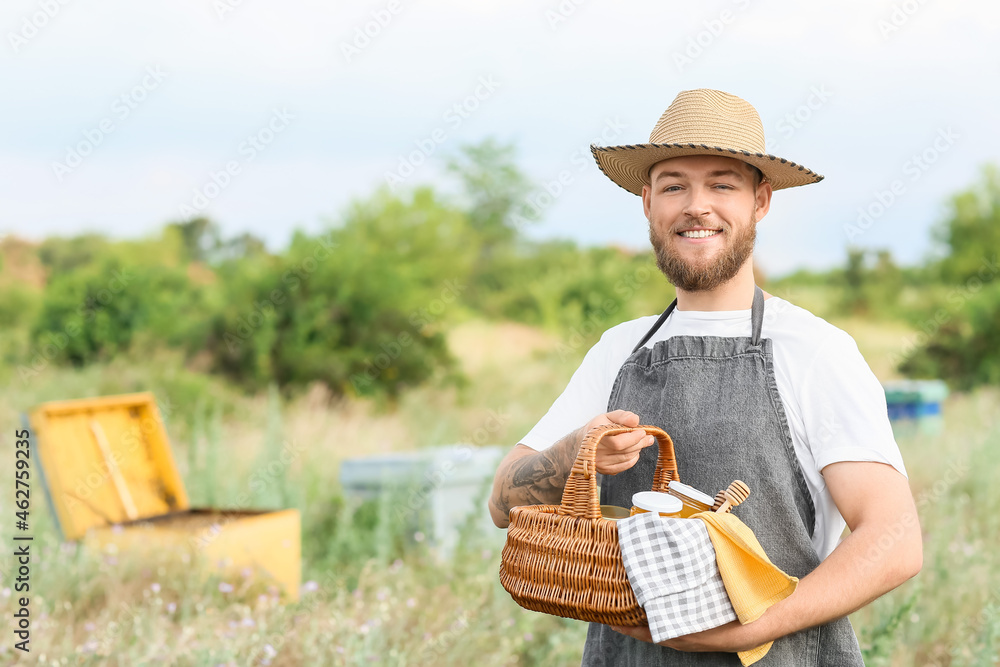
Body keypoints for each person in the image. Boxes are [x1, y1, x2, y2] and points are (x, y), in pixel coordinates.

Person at [488, 89, 922, 666]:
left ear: (760, 201)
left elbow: (893, 540)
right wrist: (576, 453)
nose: (697, 206)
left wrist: (749, 630)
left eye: (722, 184)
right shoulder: (618, 350)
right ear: (647, 202)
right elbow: (503, 504)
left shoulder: (814, 350)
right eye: (674, 186)